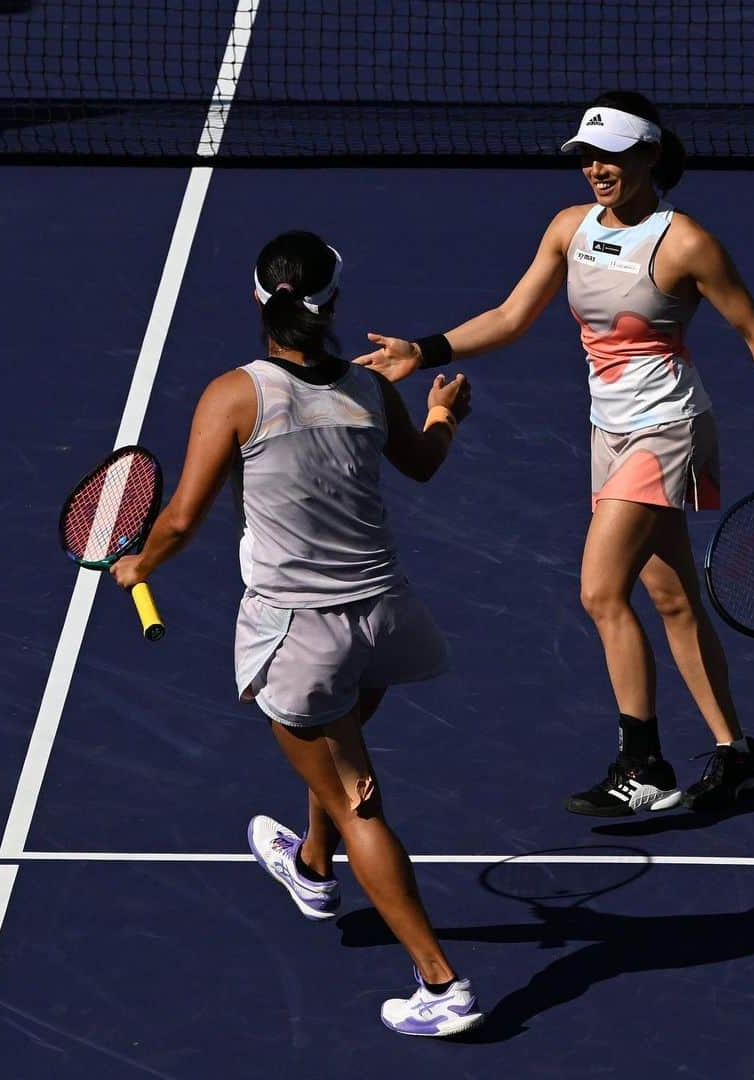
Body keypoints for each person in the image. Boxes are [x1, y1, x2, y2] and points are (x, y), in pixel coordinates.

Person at [354, 91, 754, 817]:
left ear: (650, 156)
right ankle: (737, 753)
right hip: (609, 431)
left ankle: (642, 765)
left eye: (612, 157)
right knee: (669, 597)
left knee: (601, 590)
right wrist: (425, 349)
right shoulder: (570, 229)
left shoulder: (685, 243)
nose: (597, 170)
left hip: (667, 428)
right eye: (587, 157)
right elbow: (512, 316)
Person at [109, 230, 484, 1037]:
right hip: (388, 623)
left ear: (259, 301)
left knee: (357, 800)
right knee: (333, 748)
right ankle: (313, 871)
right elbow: (421, 461)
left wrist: (139, 567)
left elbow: (179, 521)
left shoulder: (234, 395)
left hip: (303, 640)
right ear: (335, 305)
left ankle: (442, 983)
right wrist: (443, 413)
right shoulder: (368, 391)